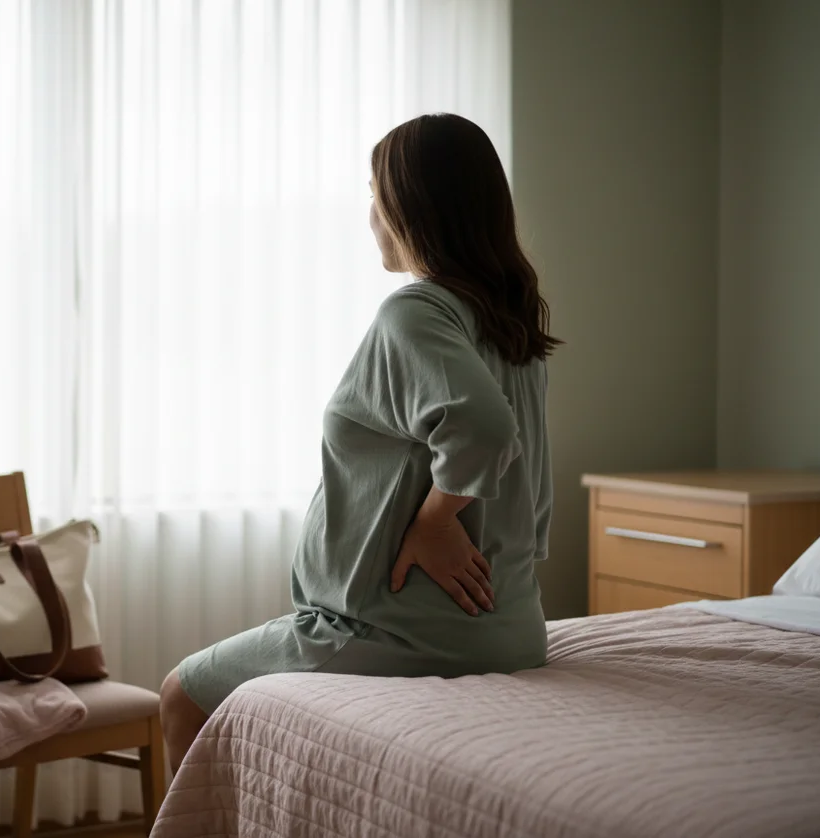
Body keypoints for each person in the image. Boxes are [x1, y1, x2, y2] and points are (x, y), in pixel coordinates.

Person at [159, 112, 560, 774]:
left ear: (412, 208)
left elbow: (483, 432)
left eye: (375, 194)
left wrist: (434, 522)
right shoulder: (507, 320)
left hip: (401, 630)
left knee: (181, 694)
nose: (369, 213)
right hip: (513, 629)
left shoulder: (415, 310)